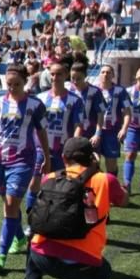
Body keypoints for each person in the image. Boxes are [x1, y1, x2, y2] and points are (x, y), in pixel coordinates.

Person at [20, 137, 128, 279]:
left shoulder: (50, 178)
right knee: (105, 270)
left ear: (64, 158)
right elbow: (124, 200)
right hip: (83, 266)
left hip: (43, 258)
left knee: (35, 237)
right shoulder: (104, 180)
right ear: (91, 158)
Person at [0, 64, 51, 273]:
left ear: (25, 82)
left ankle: (1, 253)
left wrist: (46, 155)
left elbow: (42, 131)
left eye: (16, 84)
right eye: (9, 84)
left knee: (10, 205)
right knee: (9, 205)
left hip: (23, 162)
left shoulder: (34, 105)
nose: (12, 88)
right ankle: (19, 237)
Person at [21, 61, 85, 250]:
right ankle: (32, 223)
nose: (55, 77)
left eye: (59, 74)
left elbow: (78, 124)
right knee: (34, 184)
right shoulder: (40, 98)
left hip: (63, 151)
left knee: (62, 187)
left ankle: (59, 223)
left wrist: (73, 146)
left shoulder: (75, 100)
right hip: (41, 148)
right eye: (52, 74)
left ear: (65, 76)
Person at [94, 64, 131, 176]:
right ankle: (95, 190)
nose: (105, 74)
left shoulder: (120, 91)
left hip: (112, 132)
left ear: (113, 75)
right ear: (99, 74)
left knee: (111, 164)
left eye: (108, 72)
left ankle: (112, 188)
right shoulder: (93, 90)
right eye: (103, 72)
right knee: (94, 162)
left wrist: (124, 129)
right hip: (95, 132)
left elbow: (127, 112)